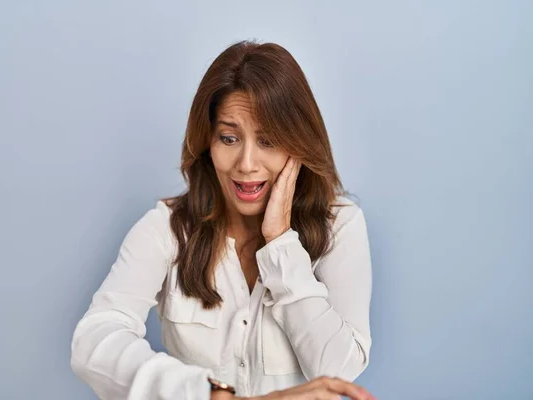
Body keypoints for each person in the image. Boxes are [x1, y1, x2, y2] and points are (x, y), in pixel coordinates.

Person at [70, 40, 375, 400]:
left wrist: (280, 244)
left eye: (269, 140)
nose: (246, 164)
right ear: (207, 143)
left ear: (299, 143)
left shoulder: (340, 226)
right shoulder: (168, 229)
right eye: (229, 138)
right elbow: (94, 342)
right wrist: (211, 395)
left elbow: (339, 372)